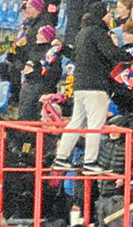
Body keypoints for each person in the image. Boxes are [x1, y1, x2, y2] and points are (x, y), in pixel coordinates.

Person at [53, 10, 128, 171]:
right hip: (96, 86)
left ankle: (61, 157)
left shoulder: (82, 33)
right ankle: (90, 162)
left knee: (76, 122)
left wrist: (63, 48)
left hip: (80, 86)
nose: (110, 17)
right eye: (107, 14)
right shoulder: (99, 33)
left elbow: (75, 56)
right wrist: (131, 57)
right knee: (95, 124)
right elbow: (111, 52)